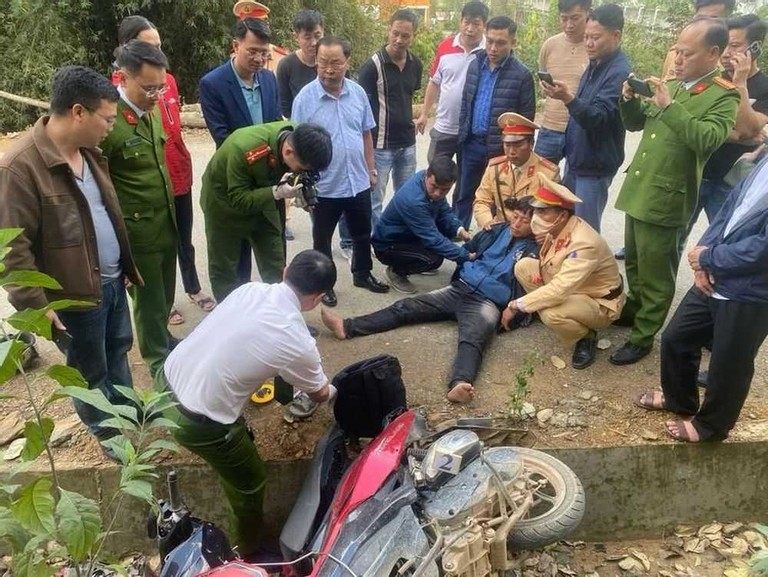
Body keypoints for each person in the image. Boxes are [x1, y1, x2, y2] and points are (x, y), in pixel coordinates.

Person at [0, 66, 141, 453]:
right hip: (71, 300)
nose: (111, 127)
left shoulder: (90, 154)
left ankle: (128, 417)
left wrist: (123, 265)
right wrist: (34, 305)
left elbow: (104, 213)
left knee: (118, 350)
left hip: (110, 283)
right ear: (79, 112)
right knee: (87, 372)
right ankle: (110, 436)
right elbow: (12, 248)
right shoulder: (21, 167)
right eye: (107, 119)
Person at [160, 250, 334, 560]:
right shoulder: (296, 339)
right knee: (250, 484)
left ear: (284, 271)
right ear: (318, 298)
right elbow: (319, 393)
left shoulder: (249, 289)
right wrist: (336, 388)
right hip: (197, 422)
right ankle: (246, 551)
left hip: (166, 383)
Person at [322, 197, 539, 404]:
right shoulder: (497, 230)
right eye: (516, 216)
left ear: (536, 223)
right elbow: (466, 250)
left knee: (474, 338)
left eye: (524, 220)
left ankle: (460, 383)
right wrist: (467, 266)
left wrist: (515, 314)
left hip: (488, 302)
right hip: (460, 288)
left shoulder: (535, 250)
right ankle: (347, 327)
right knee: (406, 307)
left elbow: (530, 290)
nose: (517, 223)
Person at [611, 17, 740, 366]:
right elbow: (638, 124)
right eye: (676, 51)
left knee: (657, 271)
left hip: (668, 197)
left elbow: (708, 140)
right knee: (636, 263)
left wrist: (670, 106)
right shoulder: (674, 85)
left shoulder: (723, 96)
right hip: (641, 189)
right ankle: (635, 310)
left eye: (687, 53)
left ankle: (643, 335)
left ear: (713, 53)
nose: (678, 59)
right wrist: (629, 101)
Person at [634, 152, 768, 443]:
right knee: (676, 338)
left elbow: (763, 249)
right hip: (714, 272)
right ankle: (679, 400)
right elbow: (729, 211)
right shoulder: (764, 160)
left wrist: (710, 257)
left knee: (730, 362)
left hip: (752, 290)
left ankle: (711, 426)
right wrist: (701, 259)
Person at [116, 16, 215, 327]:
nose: (158, 52)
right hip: (146, 189)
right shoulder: (115, 99)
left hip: (177, 174)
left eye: (159, 46)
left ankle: (191, 287)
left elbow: (172, 129)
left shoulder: (166, 81)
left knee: (183, 239)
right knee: (155, 252)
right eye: (149, 46)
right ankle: (162, 308)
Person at [292, 37, 390, 307]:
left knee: (361, 233)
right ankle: (325, 286)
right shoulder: (305, 99)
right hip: (325, 186)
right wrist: (303, 185)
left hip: (357, 181)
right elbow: (296, 145)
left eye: (335, 62)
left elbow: (366, 134)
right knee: (321, 240)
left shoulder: (358, 93)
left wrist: (371, 170)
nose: (328, 69)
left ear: (347, 62)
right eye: (323, 62)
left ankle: (362, 273)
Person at [101, 40, 178, 377]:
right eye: (148, 87)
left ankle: (163, 341)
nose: (156, 94)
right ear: (122, 78)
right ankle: (159, 366)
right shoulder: (109, 124)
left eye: (160, 87)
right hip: (138, 233)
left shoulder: (153, 109)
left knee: (164, 298)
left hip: (166, 222)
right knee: (148, 305)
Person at [200, 122, 333, 302]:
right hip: (224, 207)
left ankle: (282, 315)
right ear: (288, 152)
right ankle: (232, 319)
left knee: (276, 265)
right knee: (224, 270)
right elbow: (238, 199)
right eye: (302, 169)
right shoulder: (243, 147)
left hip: (266, 202)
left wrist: (302, 191)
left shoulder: (299, 139)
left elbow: (296, 173)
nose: (303, 172)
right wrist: (276, 193)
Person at [505, 176, 625, 369]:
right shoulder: (558, 227)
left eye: (543, 211)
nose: (536, 216)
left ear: (561, 214)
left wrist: (515, 305)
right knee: (523, 267)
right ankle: (544, 308)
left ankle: (587, 335)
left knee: (551, 314)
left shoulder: (583, 243)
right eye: (536, 209)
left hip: (599, 301)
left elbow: (560, 290)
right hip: (576, 287)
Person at [199, 16, 281, 282]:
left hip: (268, 179)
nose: (259, 59)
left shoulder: (269, 80)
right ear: (236, 46)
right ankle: (238, 318)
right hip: (234, 180)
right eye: (252, 51)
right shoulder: (213, 84)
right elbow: (224, 139)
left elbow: (275, 129)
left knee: (274, 258)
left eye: (264, 53)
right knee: (235, 266)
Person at [541, 3, 631, 232]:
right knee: (566, 224)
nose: (588, 43)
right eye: (587, 37)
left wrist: (568, 98)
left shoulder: (619, 72)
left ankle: (591, 268)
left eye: (596, 38)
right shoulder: (595, 63)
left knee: (585, 232)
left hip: (595, 166)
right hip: (577, 160)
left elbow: (597, 118)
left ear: (616, 35)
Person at [455, 15, 536, 228]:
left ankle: (492, 242)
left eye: (500, 43)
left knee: (496, 198)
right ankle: (458, 239)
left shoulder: (522, 75)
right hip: (471, 143)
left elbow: (527, 121)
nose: (493, 48)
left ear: (513, 43)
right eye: (489, 41)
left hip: (501, 149)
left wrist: (520, 151)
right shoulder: (475, 64)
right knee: (464, 195)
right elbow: (466, 103)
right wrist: (462, 135)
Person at [691, 15, 768, 227]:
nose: (726, 53)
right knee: (675, 237)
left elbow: (747, 127)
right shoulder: (711, 79)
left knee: (720, 244)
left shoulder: (764, 88)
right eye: (725, 44)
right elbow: (695, 124)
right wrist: (738, 138)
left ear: (755, 47)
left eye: (735, 45)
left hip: (730, 182)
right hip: (695, 174)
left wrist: (740, 82)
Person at [358, 9, 423, 228]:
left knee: (406, 197)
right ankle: (377, 240)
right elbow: (361, 107)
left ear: (414, 35)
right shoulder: (372, 67)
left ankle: (397, 238)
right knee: (374, 198)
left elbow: (409, 95)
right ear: (388, 29)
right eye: (395, 33)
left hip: (408, 143)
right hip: (380, 145)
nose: (399, 39)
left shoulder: (416, 64)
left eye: (405, 35)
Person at [372, 156, 472, 294]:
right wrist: (465, 256)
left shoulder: (425, 179)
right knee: (433, 259)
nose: (438, 193)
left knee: (447, 231)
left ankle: (414, 258)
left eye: (444, 190)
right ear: (428, 175)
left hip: (408, 233)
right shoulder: (413, 201)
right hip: (387, 245)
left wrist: (460, 230)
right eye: (434, 187)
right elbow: (433, 239)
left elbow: (444, 211)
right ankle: (395, 271)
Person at [414, 1, 488, 162]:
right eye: (466, 22)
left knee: (467, 180)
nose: (470, 29)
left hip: (471, 131)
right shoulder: (445, 46)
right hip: (444, 127)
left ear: (484, 25)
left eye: (476, 24)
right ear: (460, 21)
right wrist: (424, 114)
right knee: (435, 175)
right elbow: (434, 82)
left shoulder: (489, 51)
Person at [473, 112, 559, 230]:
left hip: (530, 233)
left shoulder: (548, 173)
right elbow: (481, 201)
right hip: (498, 229)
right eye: (507, 145)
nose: (512, 151)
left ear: (531, 144)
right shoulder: (495, 167)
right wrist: (487, 222)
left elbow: (550, 214)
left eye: (518, 145)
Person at [535, 0, 590, 164]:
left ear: (588, 13)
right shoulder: (550, 45)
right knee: (539, 182)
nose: (569, 25)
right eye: (564, 19)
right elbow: (543, 74)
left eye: (575, 18)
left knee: (573, 186)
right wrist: (544, 87)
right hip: (550, 127)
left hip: (581, 129)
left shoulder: (595, 47)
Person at [660, 0, 737, 82]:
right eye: (700, 19)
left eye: (712, 20)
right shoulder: (674, 53)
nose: (704, 24)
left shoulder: (732, 62)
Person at [276, 9, 324, 119]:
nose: (314, 43)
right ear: (296, 37)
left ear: (323, 32)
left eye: (317, 36)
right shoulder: (286, 65)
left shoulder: (334, 62)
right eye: (307, 37)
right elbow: (285, 109)